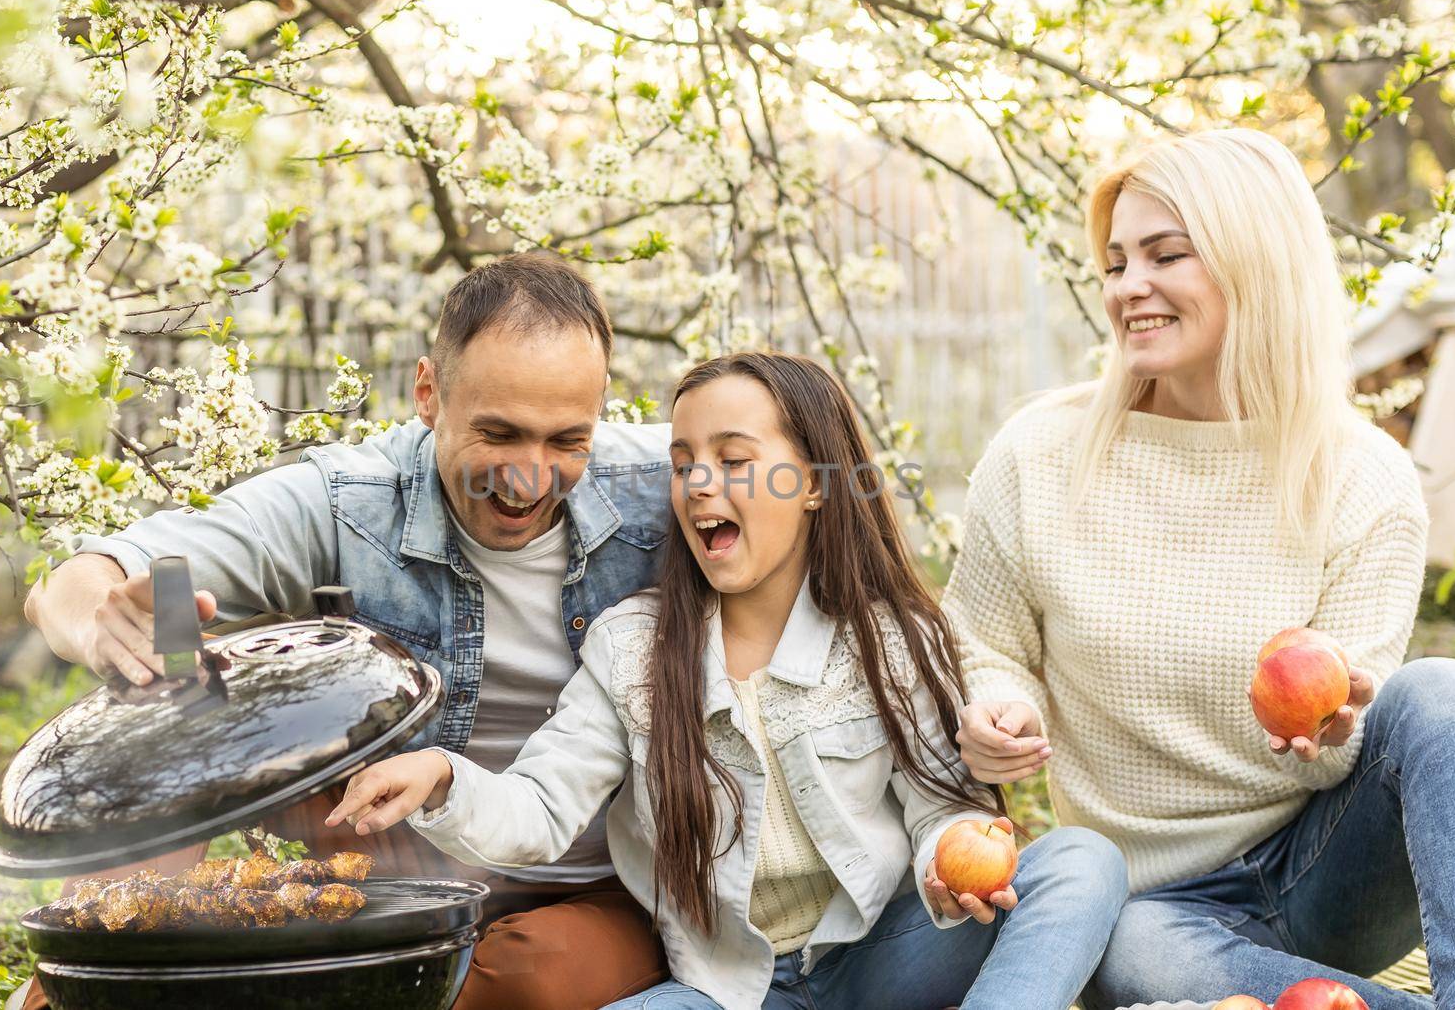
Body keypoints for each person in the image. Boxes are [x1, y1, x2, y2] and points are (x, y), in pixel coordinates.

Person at [329, 352, 1128, 1010]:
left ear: (811, 482)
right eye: (684, 465)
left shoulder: (890, 638)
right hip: (732, 991)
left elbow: (940, 808)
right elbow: (540, 806)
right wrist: (441, 779)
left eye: (734, 460)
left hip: (884, 963)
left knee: (1083, 862)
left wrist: (952, 855)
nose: (700, 484)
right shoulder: (633, 648)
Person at [22, 252, 674, 1009]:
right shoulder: (347, 502)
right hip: (388, 844)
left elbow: (814, 502)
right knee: (172, 721)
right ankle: (72, 991)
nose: (530, 476)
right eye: (498, 433)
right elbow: (85, 578)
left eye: (566, 441)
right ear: (428, 392)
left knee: (529, 979)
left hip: (587, 874)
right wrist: (108, 620)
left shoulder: (669, 487)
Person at [944, 128, 1455, 1009]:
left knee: (1445, 692)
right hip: (1157, 904)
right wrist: (998, 705)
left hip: (1326, 865)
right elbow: (981, 643)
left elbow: (1340, 740)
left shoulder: (1363, 475)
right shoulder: (1039, 454)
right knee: (1126, 949)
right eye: (1117, 262)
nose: (1130, 287)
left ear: (1255, 263)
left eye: (1166, 255)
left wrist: (1337, 726)